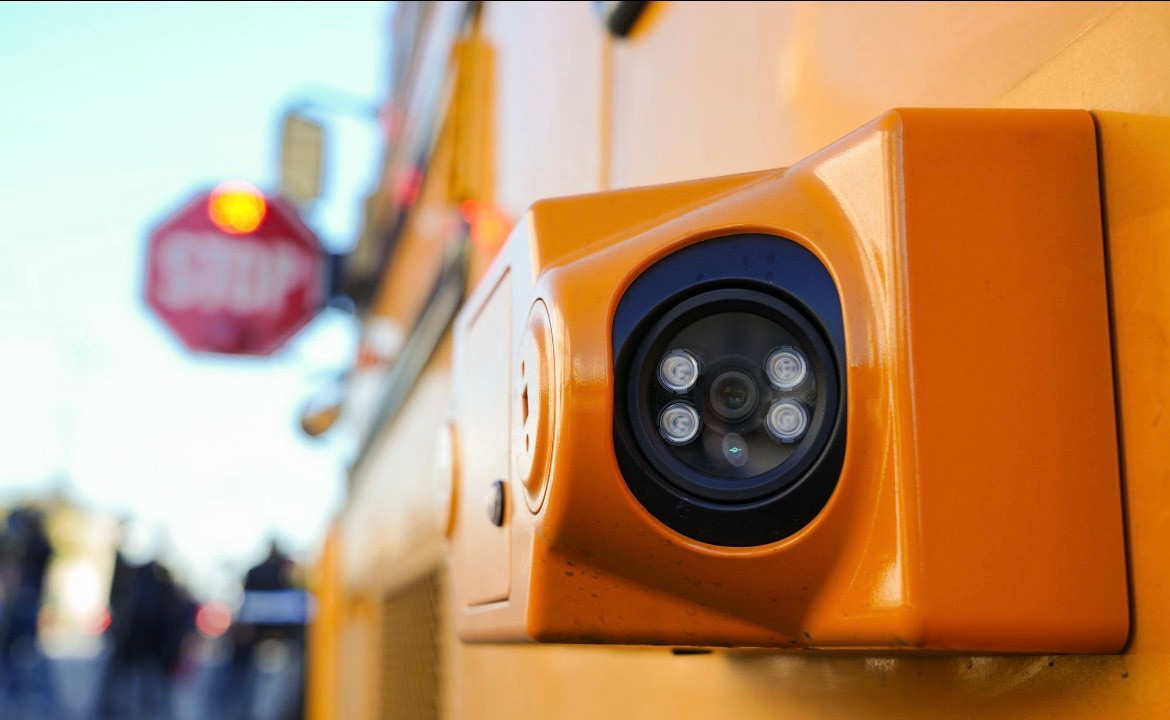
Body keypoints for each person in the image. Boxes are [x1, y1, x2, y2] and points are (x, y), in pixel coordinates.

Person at [0, 507, 57, 718]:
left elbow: (44, 554)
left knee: (31, 654)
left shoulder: (37, 545)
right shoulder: (12, 543)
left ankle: (38, 695)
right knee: (9, 652)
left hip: (28, 603)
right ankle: (12, 692)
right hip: (12, 604)